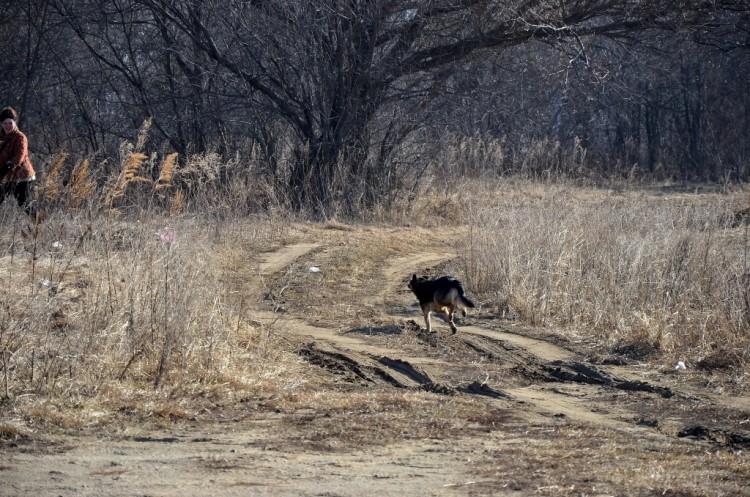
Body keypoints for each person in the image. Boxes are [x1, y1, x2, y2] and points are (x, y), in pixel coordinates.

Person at [0, 107, 36, 217]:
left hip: (22, 176)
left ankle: (40, 223)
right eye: (5, 123)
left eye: (10, 123)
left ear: (15, 123)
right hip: (7, 176)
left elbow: (20, 155)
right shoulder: (1, 138)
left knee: (23, 202)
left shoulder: (20, 137)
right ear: (1, 124)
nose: (8, 126)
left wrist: (10, 164)